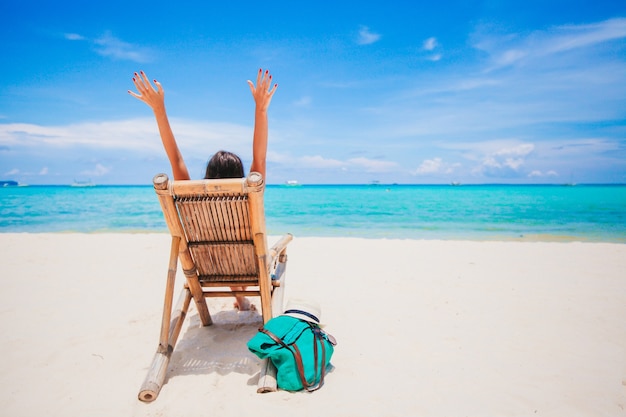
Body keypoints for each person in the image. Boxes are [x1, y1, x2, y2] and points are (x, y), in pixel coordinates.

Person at [128, 68, 278, 310]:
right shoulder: (250, 193)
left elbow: (175, 159)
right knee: (251, 248)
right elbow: (260, 156)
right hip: (247, 264)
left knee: (224, 248)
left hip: (210, 264)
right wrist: (261, 108)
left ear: (208, 175)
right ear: (242, 176)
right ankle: (241, 297)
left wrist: (158, 109)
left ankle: (239, 298)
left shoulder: (192, 196)